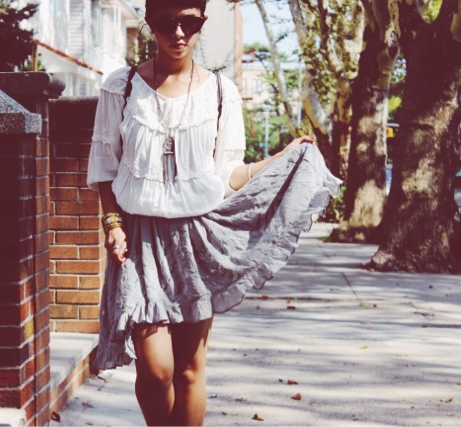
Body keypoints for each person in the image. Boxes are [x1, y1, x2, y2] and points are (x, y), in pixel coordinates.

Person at [86, 0, 341, 425]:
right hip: (140, 241)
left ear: (202, 22)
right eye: (167, 22)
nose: (178, 33)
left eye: (189, 22)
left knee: (188, 370)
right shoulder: (122, 87)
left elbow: (229, 174)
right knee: (156, 369)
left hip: (197, 241)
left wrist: (280, 158)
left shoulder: (222, 92)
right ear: (150, 23)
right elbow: (104, 168)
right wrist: (112, 223)